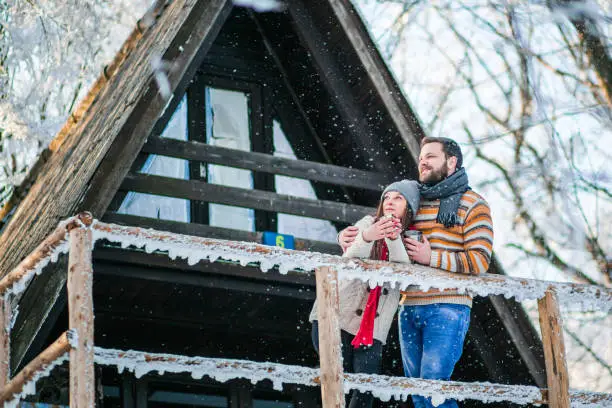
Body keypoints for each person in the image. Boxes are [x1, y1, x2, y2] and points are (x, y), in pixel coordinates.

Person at [338, 137, 494, 408]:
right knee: (417, 392)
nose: (423, 161)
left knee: (433, 387)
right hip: (408, 306)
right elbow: (377, 226)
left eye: (431, 156)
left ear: (452, 162)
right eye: (422, 157)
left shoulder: (474, 204)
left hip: (448, 306)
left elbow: (479, 261)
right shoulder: (415, 201)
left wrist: (430, 257)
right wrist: (347, 237)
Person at [309, 180, 420, 408]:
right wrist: (368, 236)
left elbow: (403, 273)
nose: (390, 202)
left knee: (366, 387)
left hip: (373, 328)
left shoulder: (412, 238)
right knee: (336, 377)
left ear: (409, 207)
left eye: (398, 198)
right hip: (336, 314)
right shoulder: (368, 223)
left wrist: (393, 238)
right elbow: (349, 256)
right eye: (386, 198)